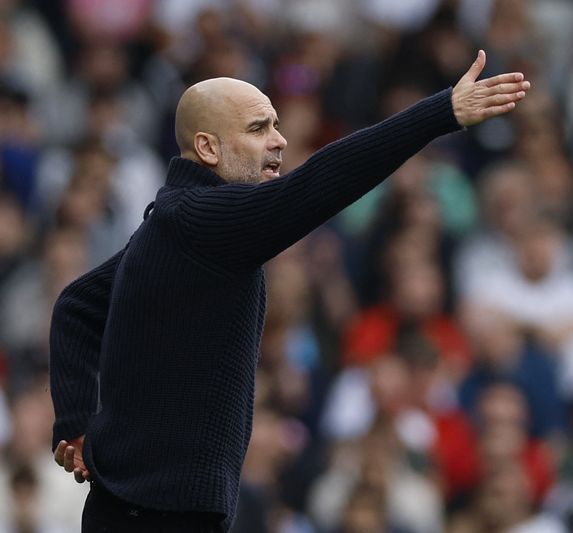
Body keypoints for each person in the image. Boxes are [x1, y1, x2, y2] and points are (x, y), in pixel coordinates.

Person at [48, 50, 530, 532]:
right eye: (258, 129)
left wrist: (75, 422)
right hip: (155, 517)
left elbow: (76, 307)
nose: (279, 141)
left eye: (276, 125)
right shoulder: (203, 221)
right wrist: (439, 113)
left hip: (145, 509)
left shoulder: (176, 224)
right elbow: (325, 179)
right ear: (209, 148)